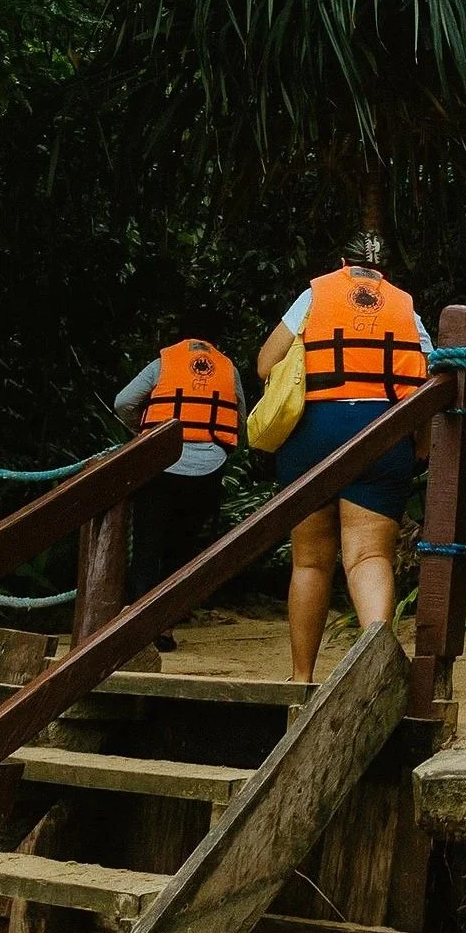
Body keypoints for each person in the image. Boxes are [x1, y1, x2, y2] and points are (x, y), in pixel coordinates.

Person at [256, 233, 433, 682]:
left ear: (342, 262)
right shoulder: (406, 308)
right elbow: (430, 382)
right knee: (368, 557)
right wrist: (422, 444)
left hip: (312, 434)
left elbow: (265, 363)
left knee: (310, 561)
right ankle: (376, 675)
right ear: (385, 270)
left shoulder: (315, 295)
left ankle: (301, 678)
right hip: (383, 433)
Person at [111, 332, 241, 632]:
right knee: (181, 549)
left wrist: (146, 432)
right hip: (208, 467)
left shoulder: (163, 363)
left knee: (147, 545)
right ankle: (167, 623)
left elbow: (123, 402)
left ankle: (139, 625)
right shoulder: (228, 368)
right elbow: (239, 418)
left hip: (160, 463)